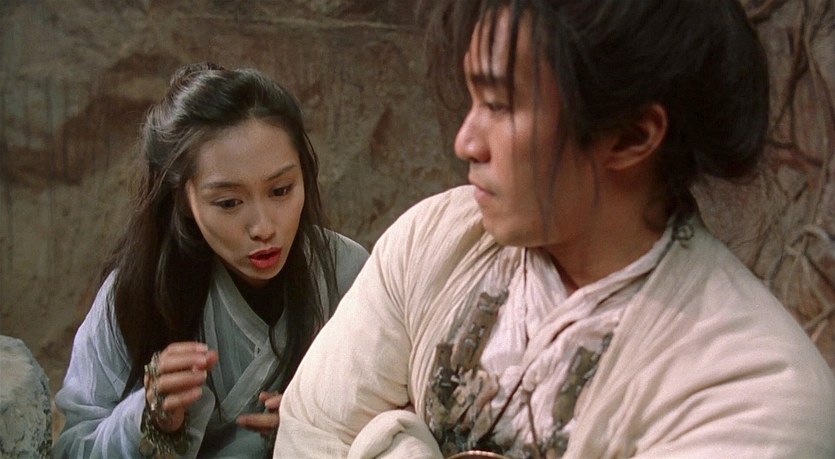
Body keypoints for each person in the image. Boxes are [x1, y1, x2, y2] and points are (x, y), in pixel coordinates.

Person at [273, 1, 835, 458]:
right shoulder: (436, 240)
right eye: (472, 100)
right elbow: (310, 431)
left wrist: (392, 438)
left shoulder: (751, 393)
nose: (466, 141)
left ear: (631, 136)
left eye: (499, 105)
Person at [53, 62, 369, 458]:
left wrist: (318, 432)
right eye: (229, 202)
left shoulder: (347, 274)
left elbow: (400, 415)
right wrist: (149, 419)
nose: (263, 227)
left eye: (281, 190)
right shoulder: (137, 292)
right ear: (185, 198)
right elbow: (72, 447)